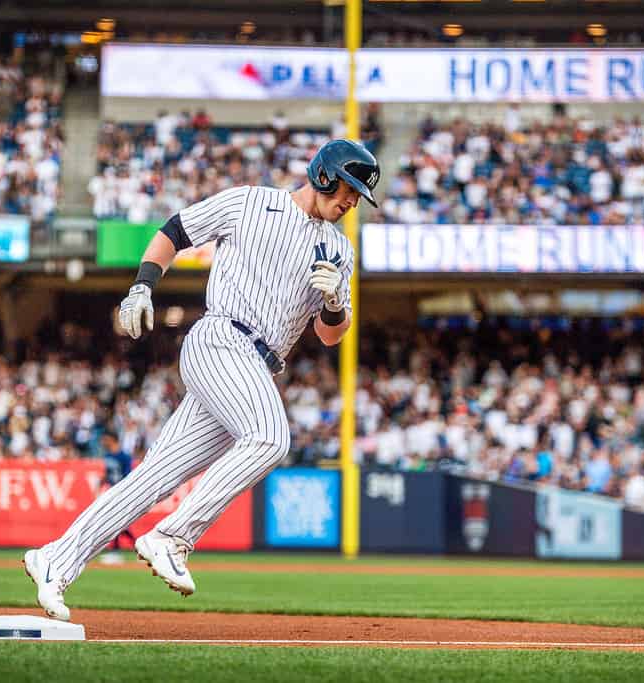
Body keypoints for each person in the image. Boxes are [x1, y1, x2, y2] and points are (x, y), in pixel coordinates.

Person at [23, 139, 381, 621]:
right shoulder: (252, 202)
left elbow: (331, 335)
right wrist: (141, 287)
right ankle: (173, 536)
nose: (351, 201)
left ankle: (56, 559)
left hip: (257, 364)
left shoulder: (340, 250)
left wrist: (336, 302)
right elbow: (175, 230)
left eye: (358, 196)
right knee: (271, 438)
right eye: (349, 189)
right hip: (221, 338)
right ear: (323, 175)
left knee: (154, 477)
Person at [96, 431, 134, 564]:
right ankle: (137, 547)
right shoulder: (107, 455)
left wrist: (124, 493)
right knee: (119, 524)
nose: (103, 443)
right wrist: (101, 484)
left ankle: (116, 551)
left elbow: (128, 476)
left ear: (113, 439)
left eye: (106, 439)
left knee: (116, 522)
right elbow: (108, 472)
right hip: (112, 492)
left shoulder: (124, 457)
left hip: (122, 493)